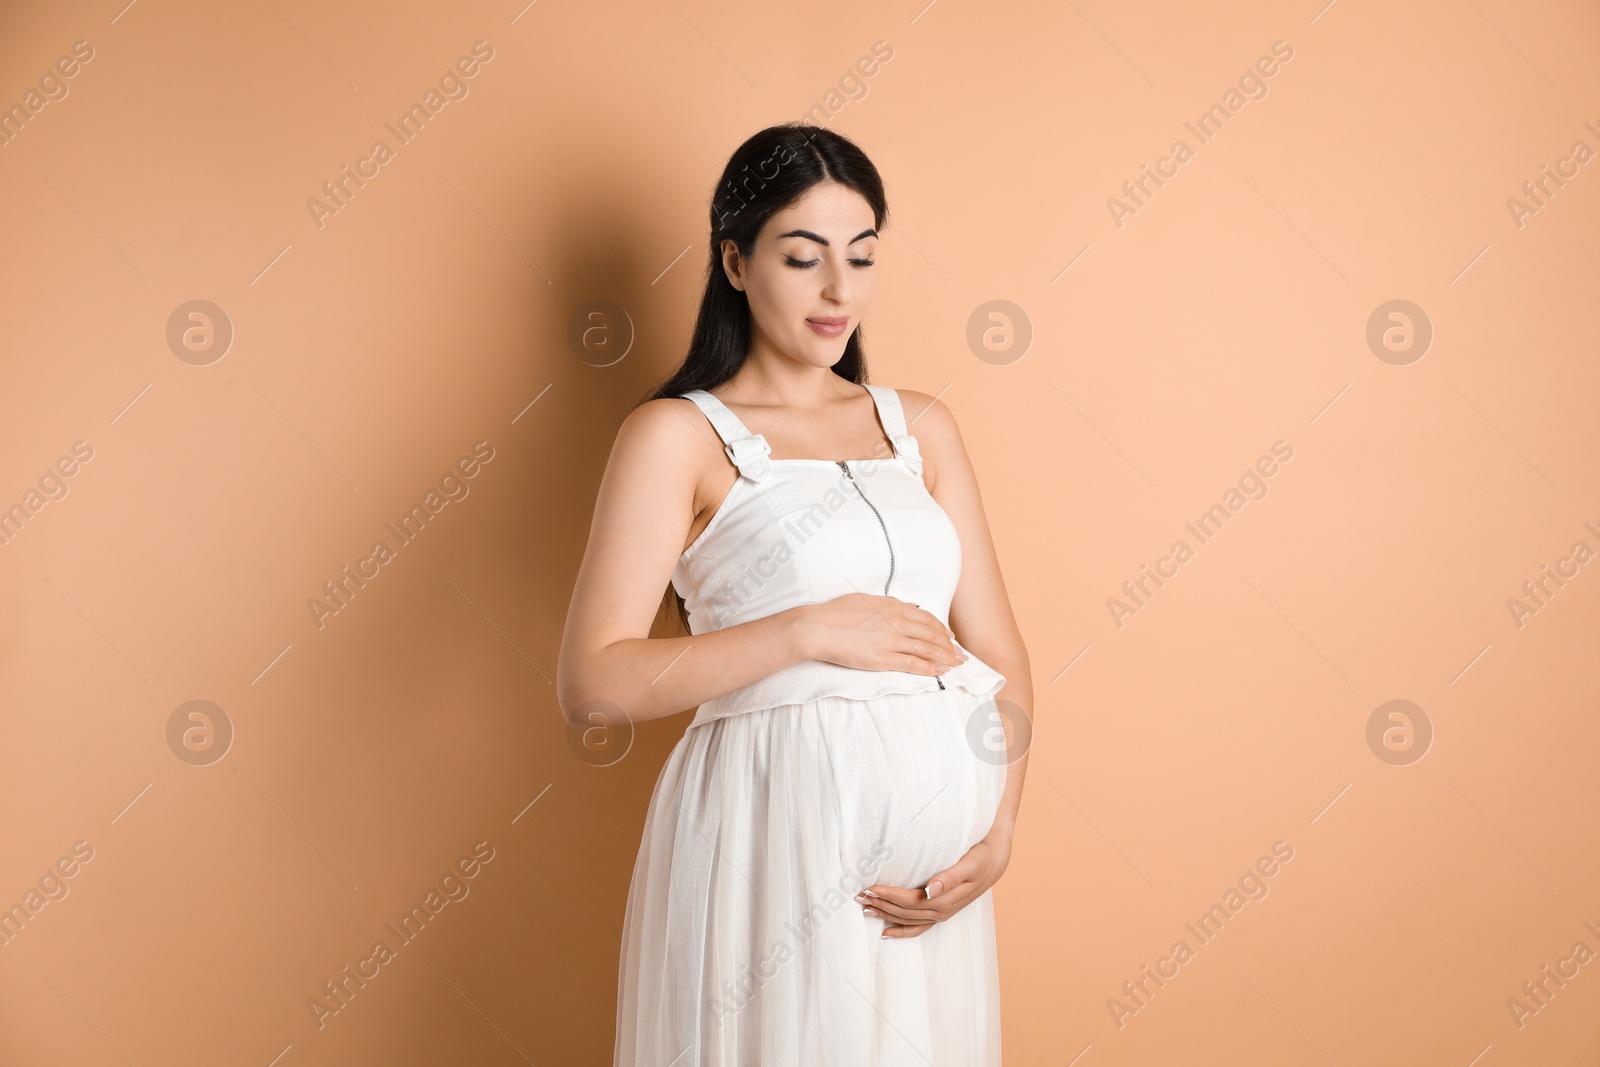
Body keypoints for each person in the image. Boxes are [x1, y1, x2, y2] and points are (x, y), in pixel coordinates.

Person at [557, 121, 1033, 1066]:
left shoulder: (921, 429)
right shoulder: (676, 438)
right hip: (767, 846)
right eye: (802, 257)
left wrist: (1001, 824)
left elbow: (1001, 656)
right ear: (734, 261)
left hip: (931, 893)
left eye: (861, 257)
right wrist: (810, 630)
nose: (838, 291)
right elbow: (595, 682)